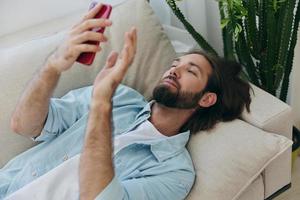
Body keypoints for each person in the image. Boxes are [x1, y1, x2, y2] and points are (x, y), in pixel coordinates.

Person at [0, 3, 251, 200]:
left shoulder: (175, 173)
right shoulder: (121, 97)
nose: (173, 70)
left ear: (207, 99)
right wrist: (53, 66)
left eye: (191, 71)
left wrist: (101, 104)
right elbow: (24, 125)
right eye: (175, 64)